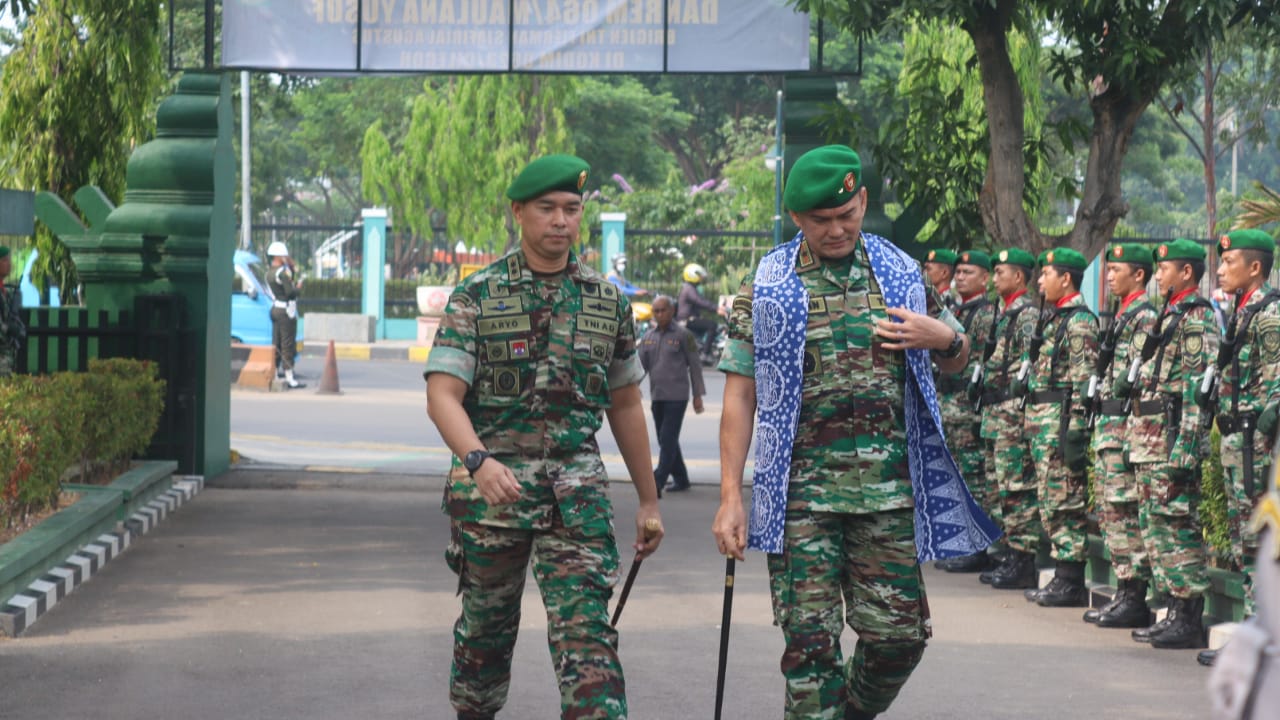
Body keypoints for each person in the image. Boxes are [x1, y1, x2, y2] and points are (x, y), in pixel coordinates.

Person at [712, 145, 998, 720]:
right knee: (810, 652)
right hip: (800, 500)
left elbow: (960, 356)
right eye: (822, 220)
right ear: (796, 218)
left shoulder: (901, 274)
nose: (838, 229)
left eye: (848, 215)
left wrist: (940, 337)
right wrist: (729, 497)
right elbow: (740, 395)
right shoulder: (766, 287)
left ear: (863, 200)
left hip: (886, 497)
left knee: (900, 640)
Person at [423, 154, 664, 720]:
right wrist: (477, 460)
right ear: (518, 212)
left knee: (589, 641)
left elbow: (627, 404)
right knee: (485, 637)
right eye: (547, 208)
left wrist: (649, 500)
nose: (560, 220)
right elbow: (442, 395)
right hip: (490, 495)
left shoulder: (607, 303)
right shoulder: (476, 296)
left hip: (576, 497)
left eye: (572, 209)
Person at [1122, 239, 1216, 648]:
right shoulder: (1171, 313)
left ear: (1187, 273)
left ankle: (1189, 617)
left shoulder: (1196, 318)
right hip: (1152, 436)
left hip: (1172, 437)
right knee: (1156, 525)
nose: (1157, 275)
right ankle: (1175, 610)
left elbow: (1198, 389)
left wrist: (1187, 448)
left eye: (1164, 269)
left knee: (1176, 527)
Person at [1201, 228, 1280, 666]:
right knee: (1245, 544)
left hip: (1257, 448)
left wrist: (1262, 444)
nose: (1219, 269)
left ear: (1254, 267)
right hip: (1239, 443)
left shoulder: (1269, 316)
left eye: (1228, 262)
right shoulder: (1242, 312)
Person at [1083, 243, 1158, 628]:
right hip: (1109, 427)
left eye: (1116, 269)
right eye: (1108, 270)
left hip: (1125, 428)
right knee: (1112, 512)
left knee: (1125, 512)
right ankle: (1125, 590)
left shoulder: (1145, 317)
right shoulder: (1123, 314)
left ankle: (1134, 595)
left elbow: (1138, 380)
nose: (1109, 275)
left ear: (1139, 275)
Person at [1019, 247, 1098, 607]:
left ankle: (1070, 580)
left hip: (1061, 423)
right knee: (1050, 501)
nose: (1039, 280)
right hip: (1044, 424)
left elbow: (1084, 382)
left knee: (1065, 501)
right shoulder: (1053, 318)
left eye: (1046, 274)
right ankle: (1062, 576)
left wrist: (1077, 429)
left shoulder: (1079, 321)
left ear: (1065, 278)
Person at [977, 248, 1042, 590]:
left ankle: (1022, 558)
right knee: (997, 488)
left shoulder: (1026, 315)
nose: (994, 277)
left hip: (1011, 413)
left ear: (1018, 277)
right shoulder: (1002, 313)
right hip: (995, 411)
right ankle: (1006, 554)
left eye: (1000, 272)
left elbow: (1027, 366)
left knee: (1016, 488)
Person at [936, 249, 999, 572]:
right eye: (958, 272)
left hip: (969, 404)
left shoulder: (987, 313)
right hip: (949, 403)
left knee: (975, 478)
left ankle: (980, 547)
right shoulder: (954, 309)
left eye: (968, 272)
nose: (960, 277)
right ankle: (963, 542)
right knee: (957, 476)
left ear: (985, 278)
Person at [637, 294, 705, 495]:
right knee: (666, 439)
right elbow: (640, 367)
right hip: (657, 395)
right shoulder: (648, 337)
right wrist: (633, 387)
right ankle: (681, 478)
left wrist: (697, 395)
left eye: (663, 310)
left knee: (667, 438)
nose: (659, 314)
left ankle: (656, 481)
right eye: (655, 311)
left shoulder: (684, 335)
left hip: (677, 396)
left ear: (672, 310)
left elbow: (695, 366)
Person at [267, 241, 305, 389]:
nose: (286, 257)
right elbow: (290, 292)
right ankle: (289, 377)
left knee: (276, 343)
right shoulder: (282, 273)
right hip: (286, 312)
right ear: (277, 255)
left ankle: (275, 372)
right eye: (284, 254)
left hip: (275, 309)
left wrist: (291, 268)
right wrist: (299, 288)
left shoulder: (270, 272)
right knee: (287, 344)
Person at [676, 262, 721, 358]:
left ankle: (701, 348)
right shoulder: (688, 289)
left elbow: (700, 302)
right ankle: (705, 353)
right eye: (699, 275)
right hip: (686, 320)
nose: (701, 277)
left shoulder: (690, 287)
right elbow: (699, 301)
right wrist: (717, 308)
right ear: (692, 275)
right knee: (712, 325)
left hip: (690, 318)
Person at [0, 245, 24, 378]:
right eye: (4, 260)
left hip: (6, 356)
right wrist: (8, 329)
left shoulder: (6, 291)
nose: (9, 264)